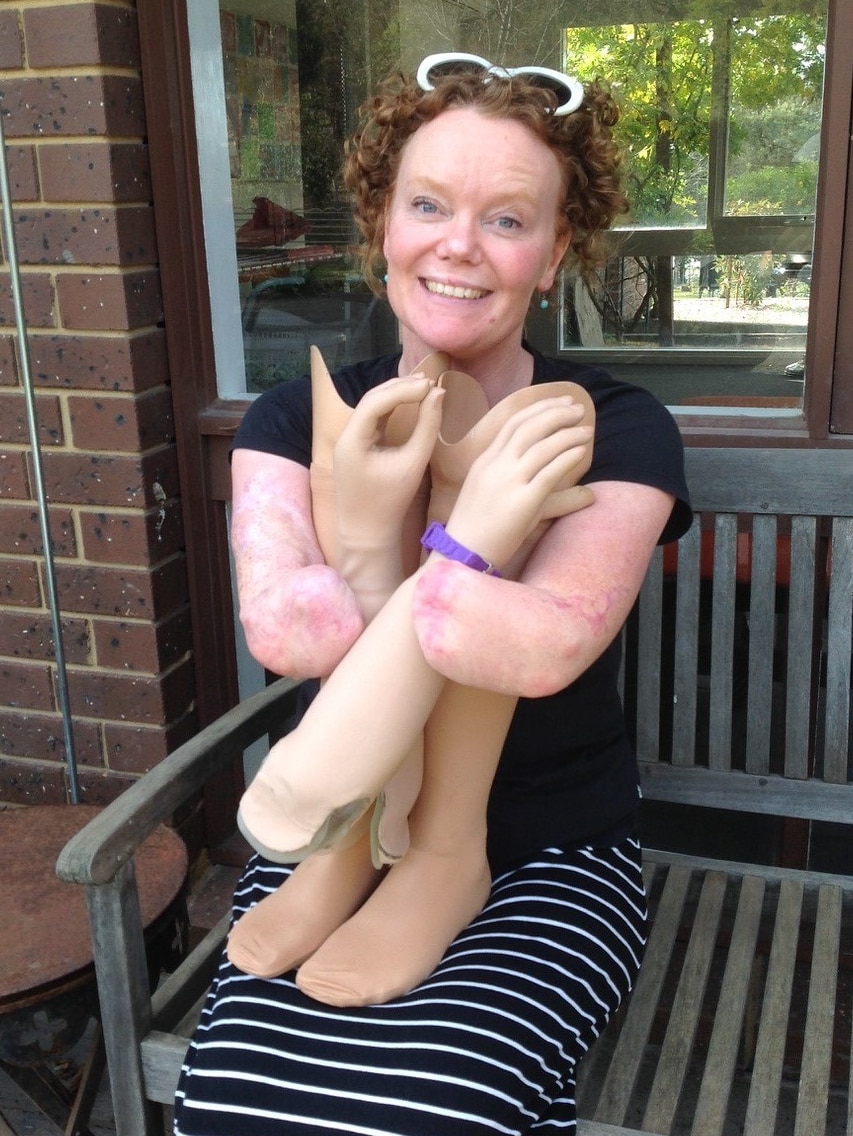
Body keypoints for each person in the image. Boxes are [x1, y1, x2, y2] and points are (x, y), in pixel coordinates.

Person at [174, 52, 692, 1135]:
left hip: (553, 845)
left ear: (554, 254)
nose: (458, 243)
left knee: (437, 1104)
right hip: (339, 818)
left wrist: (454, 538)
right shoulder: (293, 418)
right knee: (234, 1101)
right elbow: (292, 634)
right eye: (427, 204)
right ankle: (373, 856)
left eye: (506, 220)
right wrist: (372, 528)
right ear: (380, 225)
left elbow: (538, 648)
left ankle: (447, 858)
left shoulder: (614, 425)